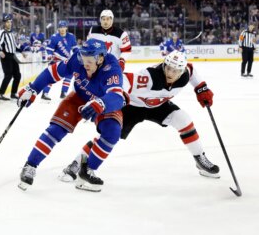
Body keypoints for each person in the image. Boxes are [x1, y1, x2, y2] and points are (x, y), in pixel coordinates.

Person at [59, 50, 220, 183]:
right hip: (133, 106)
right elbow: (126, 80)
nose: (171, 73)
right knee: (108, 138)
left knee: (183, 119)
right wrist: (116, 96)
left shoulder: (186, 73)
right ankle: (77, 163)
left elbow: (192, 72)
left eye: (176, 70)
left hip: (158, 105)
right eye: (168, 68)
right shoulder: (149, 77)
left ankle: (200, 158)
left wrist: (201, 88)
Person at [17, 39, 125, 192]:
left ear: (100, 59)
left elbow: (117, 97)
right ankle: (30, 165)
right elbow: (53, 72)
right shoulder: (77, 59)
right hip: (79, 97)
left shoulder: (112, 68)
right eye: (82, 58)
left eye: (89, 60)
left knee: (112, 132)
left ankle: (86, 171)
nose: (84, 63)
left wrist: (100, 103)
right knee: (56, 129)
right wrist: (34, 88)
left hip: (103, 101)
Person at [42, 20, 77, 100]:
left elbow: (75, 48)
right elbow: (49, 48)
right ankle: (45, 93)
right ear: (58, 28)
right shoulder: (54, 37)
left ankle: (63, 93)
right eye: (60, 27)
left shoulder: (71, 36)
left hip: (65, 61)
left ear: (66, 28)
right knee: (50, 77)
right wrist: (50, 55)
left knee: (69, 75)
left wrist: (78, 55)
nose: (62, 29)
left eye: (63, 27)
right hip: (55, 61)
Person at [0, 13, 24, 101]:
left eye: (10, 22)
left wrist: (21, 52)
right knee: (8, 75)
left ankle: (13, 93)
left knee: (17, 75)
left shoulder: (11, 33)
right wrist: (0, 51)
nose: (9, 23)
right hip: (6, 56)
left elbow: (14, 45)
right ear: (4, 23)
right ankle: (0, 94)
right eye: (7, 22)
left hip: (12, 56)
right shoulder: (2, 32)